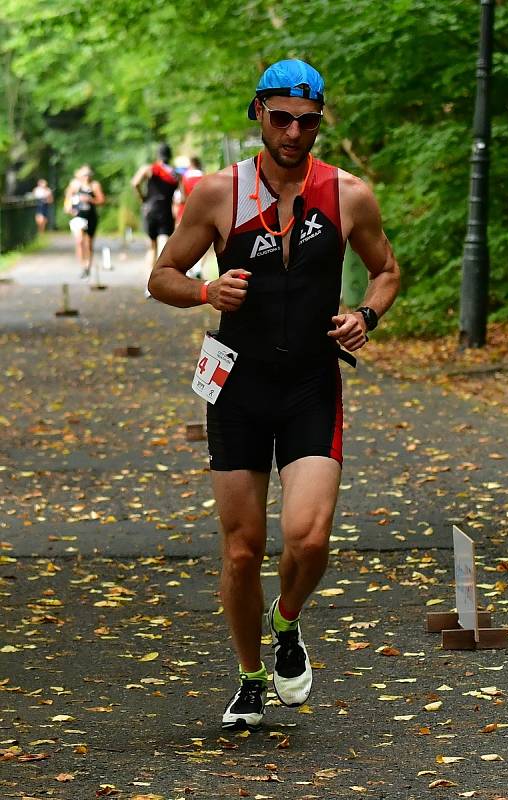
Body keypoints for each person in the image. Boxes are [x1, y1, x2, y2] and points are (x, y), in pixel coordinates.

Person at [148, 59, 401, 732]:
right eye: (282, 117)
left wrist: (366, 317)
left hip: (312, 381)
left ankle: (286, 622)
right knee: (240, 549)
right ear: (258, 112)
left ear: (320, 121)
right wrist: (206, 290)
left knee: (309, 538)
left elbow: (385, 271)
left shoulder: (348, 194)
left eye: (308, 120)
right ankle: (250, 678)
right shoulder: (216, 193)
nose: (294, 131)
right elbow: (161, 275)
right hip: (237, 381)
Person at [131, 144, 178, 270]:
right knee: (163, 246)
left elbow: (135, 183)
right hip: (166, 211)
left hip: (149, 210)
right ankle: (160, 280)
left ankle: (149, 283)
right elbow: (181, 196)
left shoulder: (149, 169)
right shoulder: (175, 174)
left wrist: (142, 198)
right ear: (170, 156)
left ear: (157, 155)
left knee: (151, 247)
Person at [64, 165, 105, 278]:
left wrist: (90, 200)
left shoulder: (94, 186)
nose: (86, 177)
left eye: (88, 175)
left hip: (91, 217)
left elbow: (101, 200)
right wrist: (68, 208)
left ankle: (88, 266)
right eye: (84, 175)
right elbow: (67, 200)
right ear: (79, 176)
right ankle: (82, 266)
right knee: (80, 241)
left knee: (89, 244)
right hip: (78, 217)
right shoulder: (74, 185)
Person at [176, 156, 207, 279]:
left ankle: (186, 269)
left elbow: (183, 198)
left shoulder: (185, 177)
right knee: (204, 244)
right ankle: (198, 267)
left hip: (187, 214)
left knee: (185, 243)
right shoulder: (205, 177)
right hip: (204, 214)